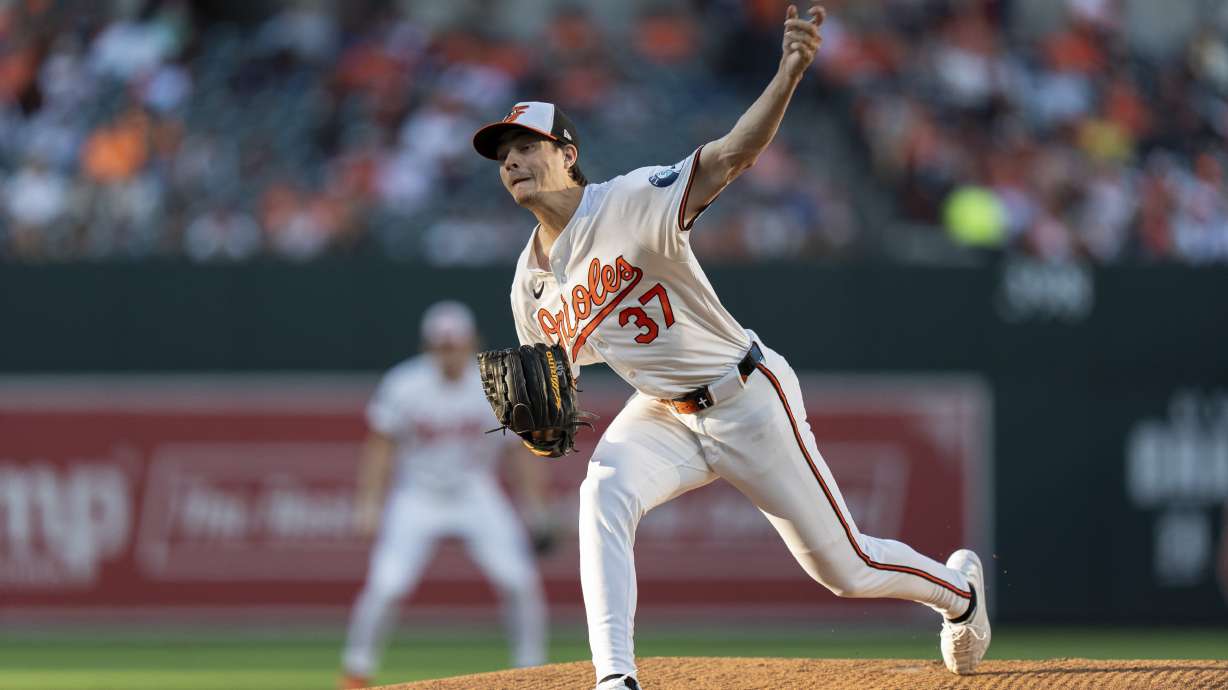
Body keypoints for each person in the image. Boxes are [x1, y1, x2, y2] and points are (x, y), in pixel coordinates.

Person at [469, 5, 991, 689]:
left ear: (567, 154)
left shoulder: (628, 202)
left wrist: (790, 73)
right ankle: (615, 679)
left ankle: (960, 594)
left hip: (746, 396)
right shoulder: (528, 286)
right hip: (662, 413)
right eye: (503, 156)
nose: (513, 162)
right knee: (603, 492)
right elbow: (553, 381)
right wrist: (540, 429)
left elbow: (733, 154)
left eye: (527, 147)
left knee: (847, 569)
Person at [339, 301, 550, 689]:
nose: (449, 352)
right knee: (388, 585)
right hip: (417, 495)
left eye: (455, 345)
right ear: (428, 346)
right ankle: (356, 670)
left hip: (474, 490)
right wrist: (368, 504)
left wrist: (535, 509)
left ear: (471, 343)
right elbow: (380, 448)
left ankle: (531, 672)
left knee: (519, 579)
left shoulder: (495, 383)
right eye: (441, 345)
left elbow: (518, 453)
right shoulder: (404, 384)